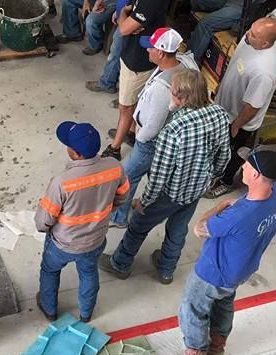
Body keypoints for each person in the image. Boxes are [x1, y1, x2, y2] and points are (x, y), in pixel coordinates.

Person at [158, 146, 276, 355]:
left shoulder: (238, 215)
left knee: (192, 308)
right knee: (223, 303)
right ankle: (216, 348)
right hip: (241, 269)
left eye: (247, 164)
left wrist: (220, 206)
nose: (243, 166)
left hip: (213, 272)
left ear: (256, 175)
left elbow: (199, 229)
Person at [100, 68, 230, 284]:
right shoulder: (219, 114)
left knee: (138, 226)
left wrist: (146, 201)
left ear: (181, 97)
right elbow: (223, 155)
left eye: (172, 91)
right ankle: (166, 268)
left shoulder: (174, 129)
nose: (170, 93)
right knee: (178, 228)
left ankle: (120, 263)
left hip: (171, 193)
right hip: (197, 188)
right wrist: (209, 178)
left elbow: (160, 174)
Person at [35, 121, 129, 322]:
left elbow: (43, 222)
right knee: (88, 272)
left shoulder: (62, 182)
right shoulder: (114, 168)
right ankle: (86, 313)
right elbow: (122, 196)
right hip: (95, 241)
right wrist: (103, 213)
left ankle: (49, 308)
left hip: (63, 244)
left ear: (75, 153)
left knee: (50, 270)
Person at [109, 27, 198, 229]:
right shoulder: (180, 66)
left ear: (160, 52)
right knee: (155, 176)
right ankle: (147, 205)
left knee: (126, 177)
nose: (147, 50)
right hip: (161, 142)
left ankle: (119, 218)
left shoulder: (162, 88)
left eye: (151, 48)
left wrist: (140, 139)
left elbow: (154, 125)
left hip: (149, 143)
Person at [102, 0, 169, 159]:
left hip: (139, 62)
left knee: (125, 106)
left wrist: (124, 18)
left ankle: (115, 148)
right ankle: (130, 131)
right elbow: (129, 18)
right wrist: (128, 20)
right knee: (132, 102)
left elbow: (123, 29)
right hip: (131, 55)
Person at [206, 16, 276, 198]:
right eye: (251, 29)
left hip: (240, 120)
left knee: (233, 153)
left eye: (254, 34)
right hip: (225, 107)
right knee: (217, 147)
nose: (248, 34)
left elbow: (252, 106)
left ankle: (226, 181)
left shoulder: (265, 72)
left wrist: (237, 125)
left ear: (265, 43)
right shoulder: (251, 39)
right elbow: (235, 65)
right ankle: (213, 171)